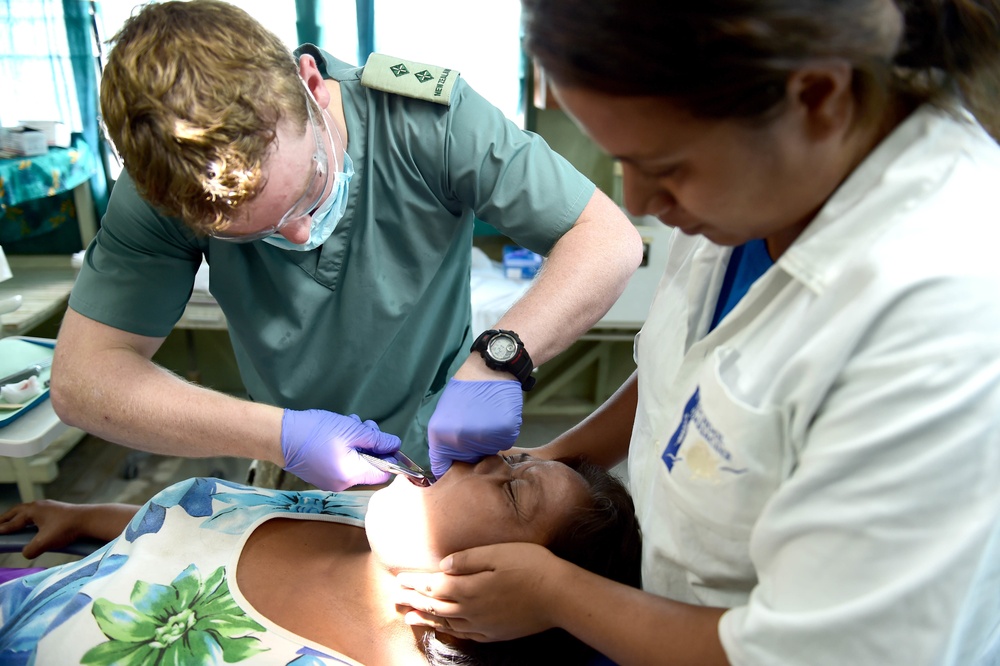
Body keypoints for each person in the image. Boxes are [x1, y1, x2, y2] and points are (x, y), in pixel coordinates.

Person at [393, 1, 1000, 664]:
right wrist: (554, 459)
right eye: (620, 159)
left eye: (664, 164)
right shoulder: (751, 192)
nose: (637, 201)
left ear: (819, 97)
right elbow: (693, 373)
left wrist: (558, 595)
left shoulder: (943, 311)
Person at [50, 0, 643, 492]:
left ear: (311, 85)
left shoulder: (427, 121)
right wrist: (276, 435)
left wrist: (499, 360)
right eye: (254, 232)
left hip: (447, 448)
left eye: (309, 188)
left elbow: (607, 238)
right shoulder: (163, 186)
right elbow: (84, 380)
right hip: (294, 468)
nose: (300, 234)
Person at [0, 454, 641, 665]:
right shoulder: (347, 516)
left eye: (511, 488)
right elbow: (197, 532)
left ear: (509, 587)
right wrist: (93, 519)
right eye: (515, 453)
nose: (480, 455)